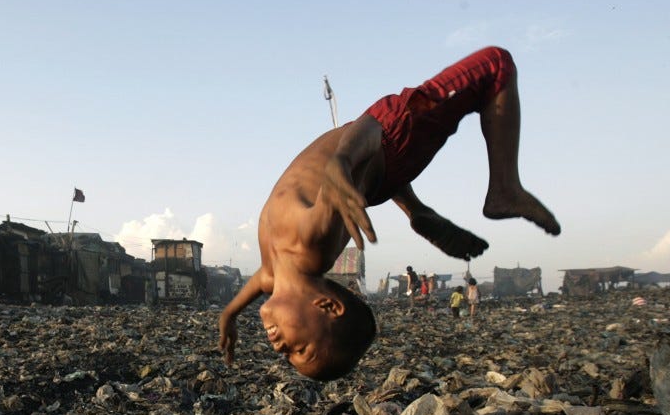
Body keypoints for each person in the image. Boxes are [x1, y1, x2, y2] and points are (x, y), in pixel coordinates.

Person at [218, 46, 560, 380]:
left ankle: (416, 209)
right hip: (392, 138)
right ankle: (504, 187)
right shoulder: (310, 243)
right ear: (327, 307)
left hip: (378, 173)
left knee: (357, 171)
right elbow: (366, 131)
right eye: (300, 350)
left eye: (291, 356)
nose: (281, 350)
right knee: (495, 64)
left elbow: (256, 285)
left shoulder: (274, 273)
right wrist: (341, 161)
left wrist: (229, 315)